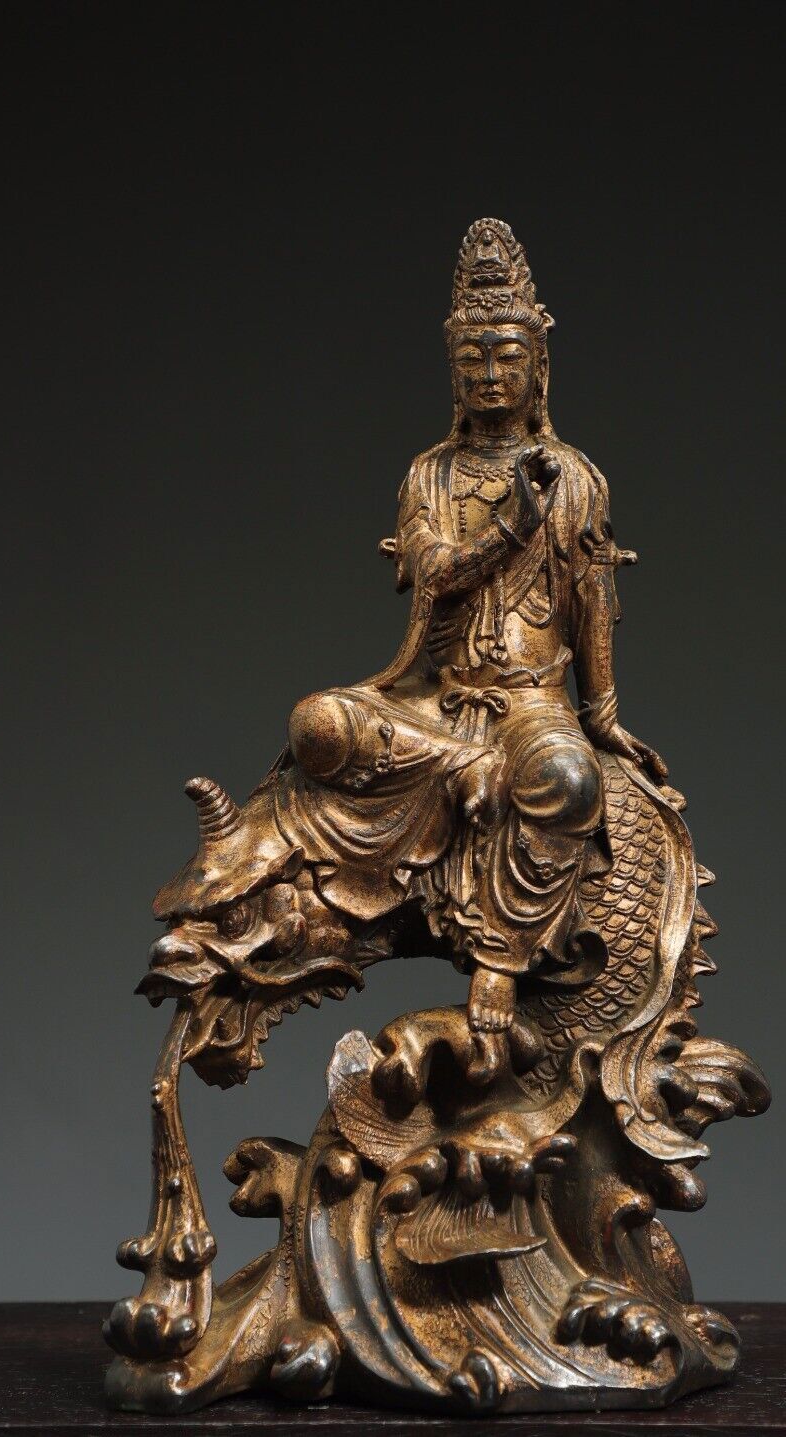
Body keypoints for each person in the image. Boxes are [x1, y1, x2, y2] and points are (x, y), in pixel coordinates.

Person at [276, 219, 668, 1081]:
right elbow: (436, 574)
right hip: (434, 701)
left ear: (539, 367)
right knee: (317, 724)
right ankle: (461, 771)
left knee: (568, 782)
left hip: (529, 704)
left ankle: (498, 957)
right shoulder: (430, 475)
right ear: (452, 372)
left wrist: (602, 715)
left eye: (507, 356)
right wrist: (511, 526)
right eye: (472, 359)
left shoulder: (574, 477)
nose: (490, 374)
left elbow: (593, 599)